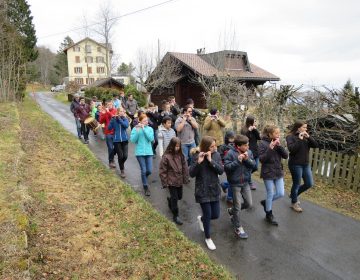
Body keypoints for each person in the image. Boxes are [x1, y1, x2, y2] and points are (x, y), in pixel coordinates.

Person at [189, 136, 224, 250]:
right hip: (202, 190)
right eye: (212, 146)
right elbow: (191, 174)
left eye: (215, 145)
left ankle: (202, 219)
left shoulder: (217, 155)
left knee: (216, 215)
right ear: (205, 147)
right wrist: (199, 162)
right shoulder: (196, 155)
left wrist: (210, 161)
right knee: (208, 214)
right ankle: (208, 238)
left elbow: (221, 170)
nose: (215, 148)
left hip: (214, 188)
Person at [224, 135, 256, 239]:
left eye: (248, 144)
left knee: (248, 203)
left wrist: (247, 160)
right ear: (238, 146)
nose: (248, 147)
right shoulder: (230, 153)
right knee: (238, 206)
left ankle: (232, 211)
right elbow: (227, 168)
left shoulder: (249, 152)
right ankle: (238, 227)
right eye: (245, 145)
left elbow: (254, 165)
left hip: (245, 182)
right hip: (235, 184)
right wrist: (238, 161)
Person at [258, 125, 288, 225]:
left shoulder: (278, 142)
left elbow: (285, 155)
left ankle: (266, 203)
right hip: (267, 172)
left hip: (278, 171)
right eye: (276, 133)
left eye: (279, 133)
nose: (278, 135)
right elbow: (262, 159)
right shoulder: (262, 143)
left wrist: (279, 146)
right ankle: (269, 214)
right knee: (270, 193)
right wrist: (270, 148)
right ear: (270, 134)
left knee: (280, 193)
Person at [286, 120, 318, 212]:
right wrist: (299, 140)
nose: (306, 129)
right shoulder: (290, 137)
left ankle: (293, 194)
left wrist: (309, 137)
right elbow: (292, 150)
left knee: (309, 183)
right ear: (298, 127)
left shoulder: (306, 136)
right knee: (296, 184)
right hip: (295, 164)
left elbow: (315, 145)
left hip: (305, 164)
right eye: (304, 127)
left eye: (306, 127)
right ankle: (294, 202)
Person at [159, 137, 189, 225]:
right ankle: (175, 215)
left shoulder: (181, 155)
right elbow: (162, 171)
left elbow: (185, 167)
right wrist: (165, 183)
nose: (177, 148)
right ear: (172, 146)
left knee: (179, 196)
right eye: (176, 146)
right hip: (171, 182)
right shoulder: (166, 157)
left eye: (179, 146)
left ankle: (170, 200)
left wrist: (185, 178)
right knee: (175, 199)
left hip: (179, 181)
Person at [130, 113, 154, 196]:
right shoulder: (135, 129)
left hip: (149, 152)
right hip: (139, 153)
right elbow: (133, 140)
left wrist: (144, 129)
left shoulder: (150, 129)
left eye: (147, 120)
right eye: (144, 121)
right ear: (140, 121)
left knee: (149, 170)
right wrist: (137, 131)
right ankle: (145, 186)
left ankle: (144, 176)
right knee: (143, 170)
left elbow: (151, 139)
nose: (146, 122)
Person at [108, 107, 129, 178]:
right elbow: (109, 128)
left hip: (125, 140)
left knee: (125, 156)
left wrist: (120, 119)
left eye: (123, 111)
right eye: (120, 111)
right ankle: (122, 170)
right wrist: (112, 120)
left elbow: (126, 126)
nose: (122, 112)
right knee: (120, 156)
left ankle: (121, 163)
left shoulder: (125, 119)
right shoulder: (114, 119)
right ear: (118, 112)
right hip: (116, 141)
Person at [241, 116, 261, 190]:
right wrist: (248, 131)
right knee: (249, 168)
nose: (255, 122)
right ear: (250, 122)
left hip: (255, 151)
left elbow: (259, 138)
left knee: (255, 167)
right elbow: (243, 140)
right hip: (248, 151)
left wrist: (255, 130)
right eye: (254, 121)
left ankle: (243, 176)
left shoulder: (254, 129)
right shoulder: (244, 129)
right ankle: (249, 183)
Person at [218, 130, 235, 203]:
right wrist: (223, 164)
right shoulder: (223, 147)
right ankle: (230, 197)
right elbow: (220, 156)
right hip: (227, 165)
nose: (232, 139)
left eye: (233, 138)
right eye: (231, 138)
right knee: (232, 181)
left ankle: (224, 185)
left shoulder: (235, 145)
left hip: (234, 164)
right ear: (227, 138)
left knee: (232, 180)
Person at [99, 100, 117, 168]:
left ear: (112, 105)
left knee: (115, 148)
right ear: (106, 106)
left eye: (110, 104)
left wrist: (108, 112)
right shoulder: (104, 112)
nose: (109, 106)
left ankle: (112, 157)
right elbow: (101, 121)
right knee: (110, 147)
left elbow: (113, 117)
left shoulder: (115, 111)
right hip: (108, 132)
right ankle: (111, 161)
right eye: (108, 105)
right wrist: (103, 114)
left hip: (115, 132)